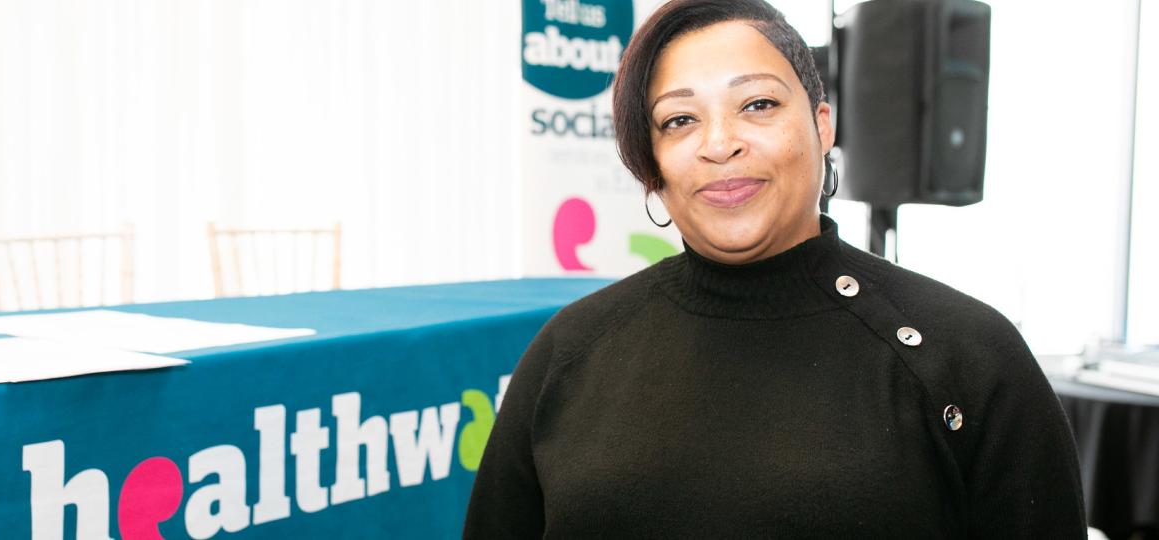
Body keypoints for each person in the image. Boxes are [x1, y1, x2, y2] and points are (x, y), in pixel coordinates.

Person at [463, 0, 1086, 537]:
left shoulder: (968, 356)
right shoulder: (570, 351)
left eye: (757, 104)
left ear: (822, 125)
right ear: (651, 161)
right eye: (680, 120)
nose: (719, 143)